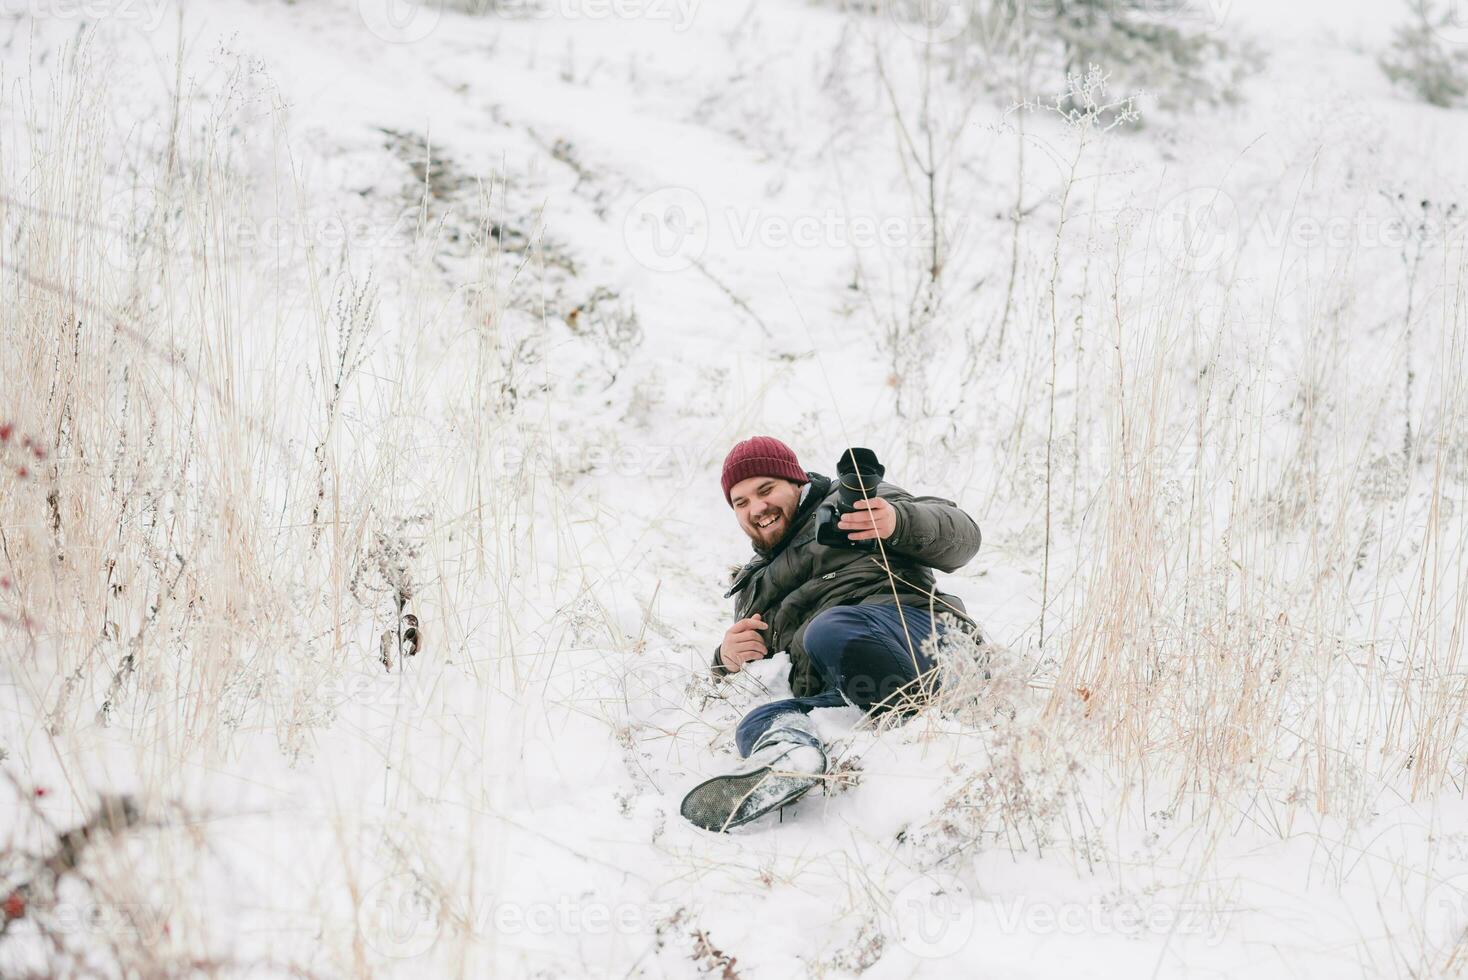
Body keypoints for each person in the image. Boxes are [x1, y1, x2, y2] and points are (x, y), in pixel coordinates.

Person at [680, 436, 983, 832]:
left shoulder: (851, 503)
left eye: (766, 490)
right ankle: (790, 756)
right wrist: (726, 659)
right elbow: (760, 674)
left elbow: (964, 538)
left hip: (923, 639)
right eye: (741, 502)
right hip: (855, 686)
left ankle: (932, 718)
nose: (757, 508)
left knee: (829, 631)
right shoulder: (754, 585)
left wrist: (897, 522)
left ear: (796, 482)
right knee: (760, 719)